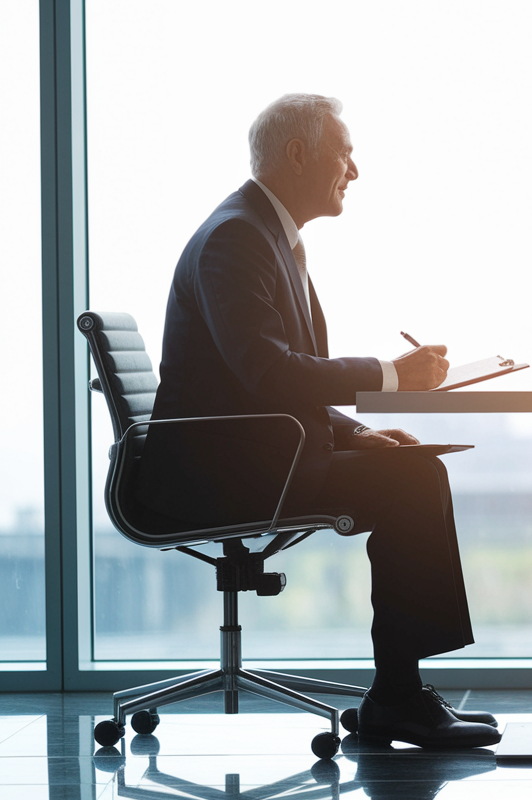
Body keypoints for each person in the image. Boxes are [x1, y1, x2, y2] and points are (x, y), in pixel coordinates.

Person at [136, 93, 501, 749]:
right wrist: (390, 375)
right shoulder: (236, 239)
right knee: (414, 482)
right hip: (219, 474)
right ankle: (398, 697)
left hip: (249, 453)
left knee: (410, 469)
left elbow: (275, 383)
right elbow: (269, 374)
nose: (354, 171)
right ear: (299, 154)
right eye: (345, 153)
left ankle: (399, 693)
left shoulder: (267, 235)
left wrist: (359, 432)